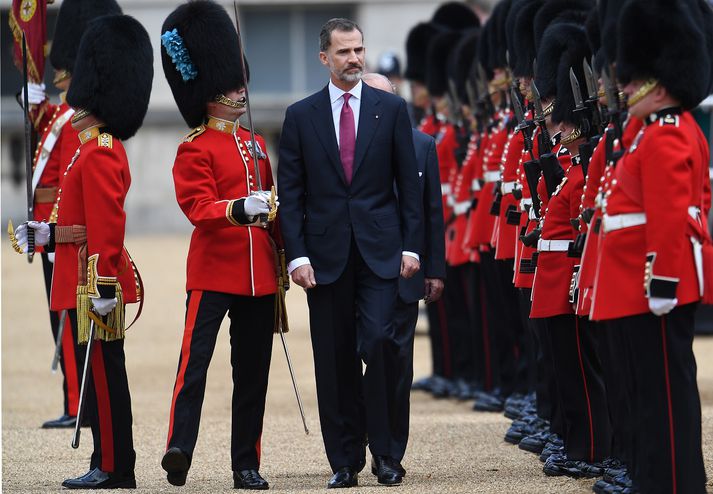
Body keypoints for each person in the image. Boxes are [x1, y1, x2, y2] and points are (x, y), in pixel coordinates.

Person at [278, 18, 422, 488]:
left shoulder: (391, 109)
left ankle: (387, 453)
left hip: (382, 252)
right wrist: (296, 257)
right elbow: (292, 193)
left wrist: (411, 247)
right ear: (325, 58)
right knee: (334, 357)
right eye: (344, 52)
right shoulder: (300, 116)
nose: (355, 59)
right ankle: (344, 459)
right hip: (325, 258)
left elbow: (409, 187)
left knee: (382, 345)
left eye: (358, 49)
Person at [14, 13, 152, 489]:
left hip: (95, 282)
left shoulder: (99, 151)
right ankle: (106, 459)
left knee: (106, 379)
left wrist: (104, 285)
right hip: (82, 276)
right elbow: (78, 224)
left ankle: (115, 467)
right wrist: (46, 236)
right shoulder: (88, 148)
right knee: (98, 379)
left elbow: (107, 228)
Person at [158, 1, 281, 490]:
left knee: (251, 376)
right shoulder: (194, 147)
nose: (240, 89)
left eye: (239, 81)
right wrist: (237, 209)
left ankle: (245, 462)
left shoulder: (254, 144)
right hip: (213, 272)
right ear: (212, 91)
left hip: (257, 277)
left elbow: (272, 207)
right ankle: (179, 448)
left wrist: (283, 251)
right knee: (194, 368)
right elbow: (197, 206)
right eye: (232, 84)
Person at [591, 0, 711, 492]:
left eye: (631, 77)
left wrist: (662, 281)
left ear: (657, 83)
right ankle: (655, 476)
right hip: (633, 285)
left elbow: (667, 218)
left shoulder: (665, 134)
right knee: (647, 391)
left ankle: (672, 482)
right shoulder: (646, 133)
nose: (621, 86)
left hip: (652, 286)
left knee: (663, 392)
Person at [16, 0, 121, 430]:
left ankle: (78, 401)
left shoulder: (72, 120)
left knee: (69, 316)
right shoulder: (59, 116)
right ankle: (73, 397)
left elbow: (69, 181)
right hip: (48, 225)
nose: (61, 80)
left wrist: (57, 231)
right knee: (59, 313)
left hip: (61, 229)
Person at [362, 71, 446, 472]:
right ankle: (361, 437)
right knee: (365, 352)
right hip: (358, 270)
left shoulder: (422, 145)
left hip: (403, 271)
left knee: (396, 362)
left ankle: (390, 450)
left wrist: (436, 271)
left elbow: (432, 212)